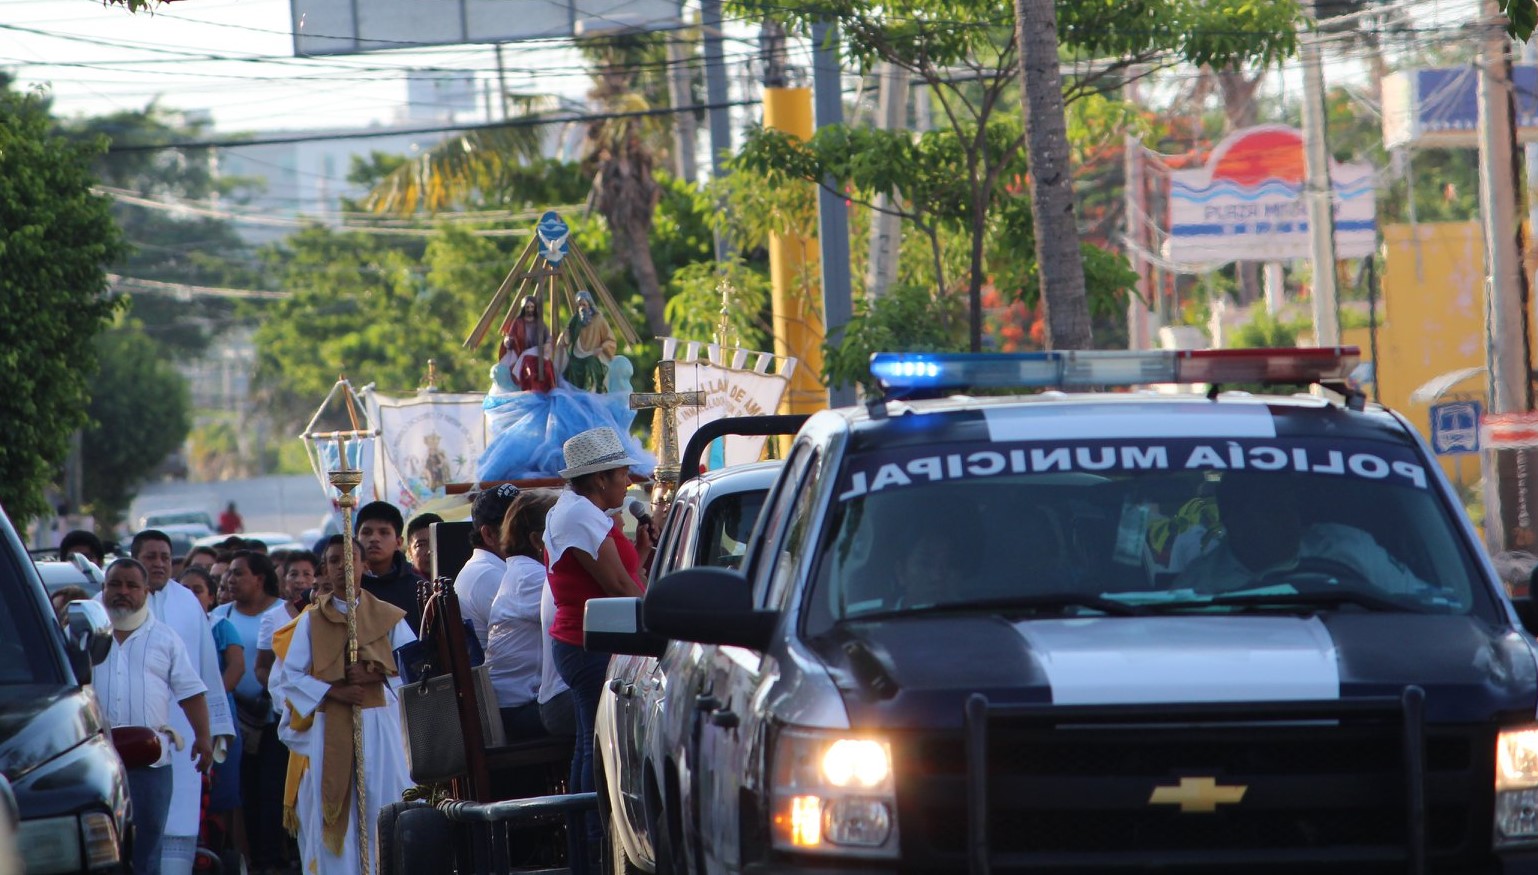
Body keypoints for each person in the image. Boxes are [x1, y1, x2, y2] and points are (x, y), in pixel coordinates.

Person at [275, 534, 414, 875]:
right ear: (325, 569)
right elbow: (290, 676)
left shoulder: (387, 616)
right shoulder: (311, 620)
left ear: (365, 565)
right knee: (340, 811)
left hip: (379, 724)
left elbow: (413, 668)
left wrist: (374, 675)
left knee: (382, 799)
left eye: (350, 559)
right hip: (331, 726)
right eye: (335, 561)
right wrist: (333, 692)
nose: (343, 568)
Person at [545, 427, 651, 871]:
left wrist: (641, 553)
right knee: (596, 748)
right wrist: (664, 622)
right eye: (623, 473)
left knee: (587, 746)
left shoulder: (577, 511)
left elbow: (622, 577)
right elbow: (620, 587)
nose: (628, 482)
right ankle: (592, 848)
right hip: (589, 645)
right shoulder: (579, 516)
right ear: (600, 478)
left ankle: (584, 850)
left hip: (584, 641)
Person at [94, 558, 213, 875]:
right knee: (99, 853)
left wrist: (204, 738)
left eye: (132, 585)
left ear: (146, 592)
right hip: (94, 764)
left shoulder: (165, 638)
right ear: (103, 588)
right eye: (115, 584)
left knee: (147, 852)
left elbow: (191, 692)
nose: (123, 591)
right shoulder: (82, 635)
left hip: (150, 764)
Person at [129, 530, 236, 874]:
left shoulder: (187, 601)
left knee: (179, 817)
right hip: (130, 731)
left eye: (165, 556)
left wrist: (211, 730)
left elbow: (207, 668)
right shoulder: (114, 601)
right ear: (135, 559)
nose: (159, 563)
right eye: (150, 557)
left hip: (183, 729)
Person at [1175, 472, 1434, 596]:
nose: (1289, 519)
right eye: (1272, 510)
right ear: (1234, 518)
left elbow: (1421, 600)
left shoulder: (1349, 549)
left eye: (1291, 507)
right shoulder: (1198, 587)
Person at [211, 551, 293, 875]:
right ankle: (252, 857)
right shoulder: (220, 615)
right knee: (243, 788)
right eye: (229, 573)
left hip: (274, 717)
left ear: (259, 578)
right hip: (234, 716)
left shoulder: (283, 612)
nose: (229, 579)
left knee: (271, 788)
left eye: (238, 573)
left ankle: (273, 856)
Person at [182, 564, 247, 860]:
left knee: (224, 792)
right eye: (185, 590)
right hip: (181, 718)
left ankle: (231, 856)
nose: (191, 596)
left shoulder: (220, 626)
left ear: (211, 597)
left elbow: (236, 667)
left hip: (218, 717)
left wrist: (207, 702)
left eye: (197, 590)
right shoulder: (167, 627)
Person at [487, 489, 559, 740]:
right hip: (519, 710)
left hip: (516, 705)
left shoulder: (524, 571)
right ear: (537, 540)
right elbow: (581, 619)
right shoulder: (531, 577)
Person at [456, 485, 519, 650]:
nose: (529, 532)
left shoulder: (484, 569)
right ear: (488, 534)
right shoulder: (488, 575)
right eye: (516, 525)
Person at [355, 501, 427, 634]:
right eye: (366, 532)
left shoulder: (418, 588)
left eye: (384, 532)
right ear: (355, 540)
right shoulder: (346, 586)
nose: (374, 538)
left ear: (398, 542)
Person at [256, 551, 321, 691]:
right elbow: (262, 667)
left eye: (306, 574)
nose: (299, 580)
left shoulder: (325, 613)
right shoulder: (272, 617)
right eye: (293, 574)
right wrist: (279, 691)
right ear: (284, 580)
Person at [557, 290, 617, 393]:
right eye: (579, 305)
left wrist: (601, 348)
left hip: (593, 355)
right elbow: (567, 337)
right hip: (577, 355)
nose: (582, 307)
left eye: (584, 304)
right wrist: (564, 336)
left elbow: (610, 340)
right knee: (571, 366)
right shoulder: (575, 319)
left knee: (590, 366)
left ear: (589, 305)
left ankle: (593, 393)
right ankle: (573, 394)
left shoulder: (599, 319)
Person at [405, 512, 442, 581]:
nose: (429, 552)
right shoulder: (403, 584)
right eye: (421, 545)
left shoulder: (460, 578)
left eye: (435, 542)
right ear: (410, 552)